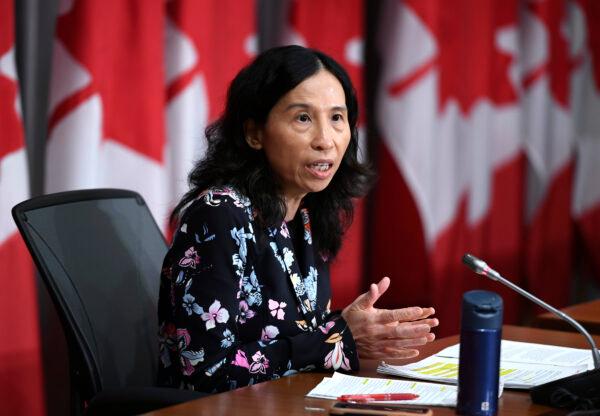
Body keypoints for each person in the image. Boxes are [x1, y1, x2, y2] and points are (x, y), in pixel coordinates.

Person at [157, 45, 438, 393]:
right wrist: (333, 338)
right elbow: (205, 371)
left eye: (337, 118)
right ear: (254, 133)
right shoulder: (219, 216)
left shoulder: (307, 213)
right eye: (303, 118)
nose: (326, 141)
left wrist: (353, 329)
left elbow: (288, 337)